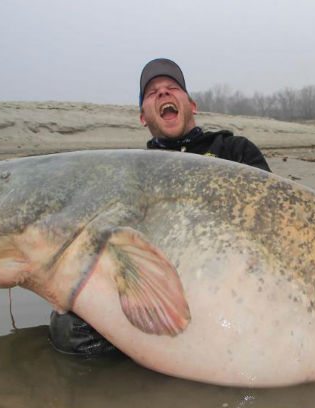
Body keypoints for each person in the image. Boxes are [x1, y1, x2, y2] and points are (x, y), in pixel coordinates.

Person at [49, 58, 271, 355]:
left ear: (192, 105)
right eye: (153, 93)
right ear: (143, 116)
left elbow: (271, 216)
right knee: (69, 329)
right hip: (157, 285)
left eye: (172, 88)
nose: (163, 94)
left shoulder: (235, 150)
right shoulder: (130, 173)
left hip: (233, 278)